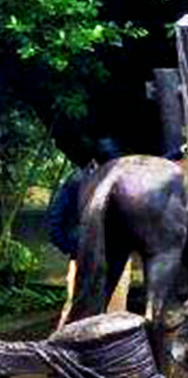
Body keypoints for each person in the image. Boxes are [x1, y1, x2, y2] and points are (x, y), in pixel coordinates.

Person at [49, 139, 123, 326]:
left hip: (113, 255)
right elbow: (55, 219)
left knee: (115, 311)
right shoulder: (76, 181)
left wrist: (178, 152)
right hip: (83, 256)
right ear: (96, 162)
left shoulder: (118, 181)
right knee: (76, 307)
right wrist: (71, 248)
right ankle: (63, 346)